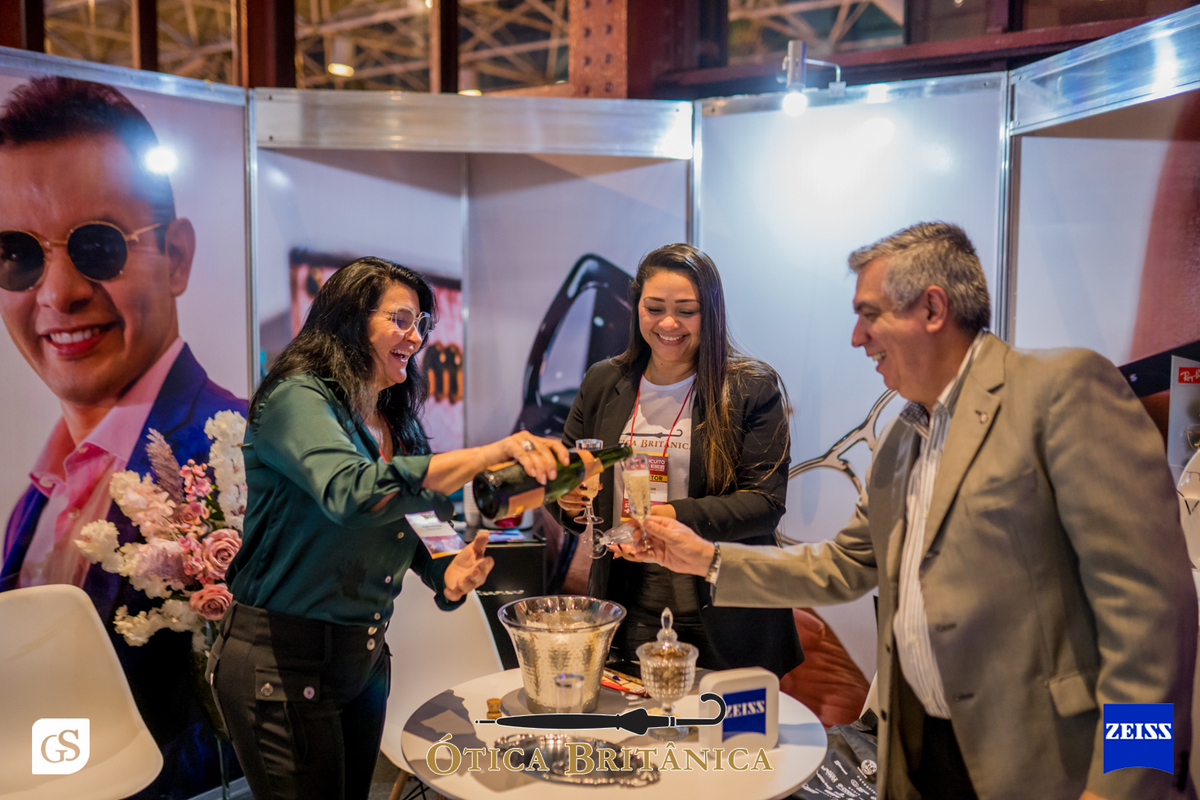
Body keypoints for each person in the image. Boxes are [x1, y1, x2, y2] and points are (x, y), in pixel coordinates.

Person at [622, 223, 1198, 800]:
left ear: (932, 307)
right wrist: (707, 560)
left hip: (1050, 768)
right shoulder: (906, 435)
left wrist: (1127, 781)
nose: (856, 337)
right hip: (924, 757)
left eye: (869, 314)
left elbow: (1150, 620)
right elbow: (843, 566)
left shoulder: (1062, 391)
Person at [210, 257, 569, 800]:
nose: (415, 337)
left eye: (422, 324)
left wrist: (451, 570)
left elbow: (423, 522)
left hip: (365, 661)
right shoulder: (297, 397)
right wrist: (487, 454)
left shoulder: (395, 421)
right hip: (280, 664)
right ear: (351, 320)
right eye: (401, 319)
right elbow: (351, 491)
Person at [0, 76, 246, 797]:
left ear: (176, 257)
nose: (56, 293)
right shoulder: (46, 485)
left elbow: (275, 715)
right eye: (17, 253)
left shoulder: (240, 462)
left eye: (98, 246)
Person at [556, 243, 802, 677]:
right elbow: (564, 478)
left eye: (686, 310)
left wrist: (666, 516)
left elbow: (764, 504)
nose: (668, 323)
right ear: (637, 310)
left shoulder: (750, 388)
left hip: (727, 611)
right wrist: (567, 500)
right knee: (639, 740)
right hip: (629, 605)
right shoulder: (603, 382)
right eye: (654, 308)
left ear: (710, 313)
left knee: (732, 745)